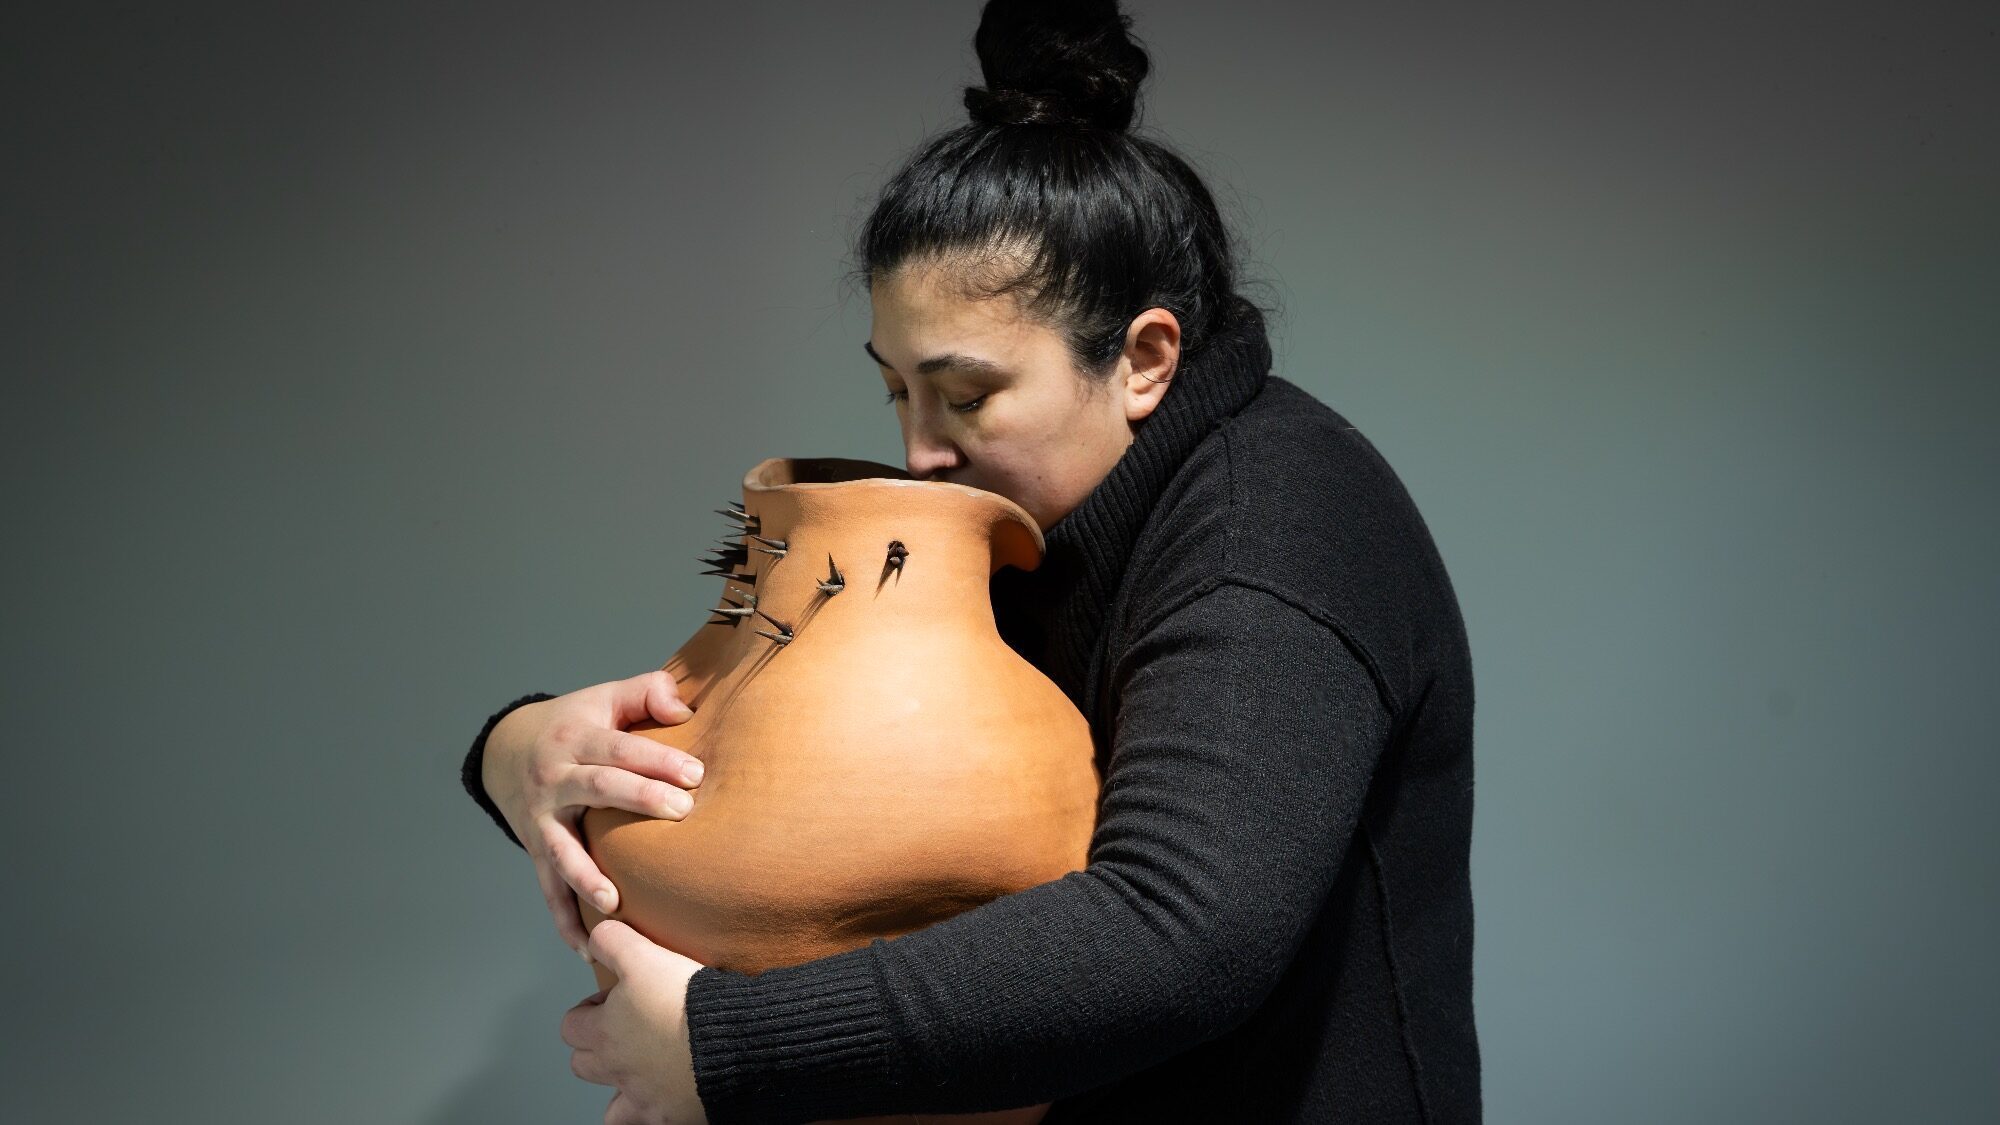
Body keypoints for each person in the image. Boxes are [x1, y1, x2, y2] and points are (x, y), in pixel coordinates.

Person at [459, 1, 1480, 1121]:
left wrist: (724, 1044)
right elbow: (749, 757)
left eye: (965, 394)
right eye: (896, 389)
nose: (919, 451)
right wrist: (513, 749)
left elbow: (1178, 932)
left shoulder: (1271, 534)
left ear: (1144, 359)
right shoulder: (1024, 517)